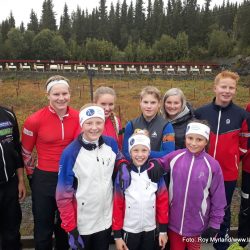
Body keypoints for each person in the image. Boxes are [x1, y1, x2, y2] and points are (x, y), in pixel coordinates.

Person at [56, 104, 128, 250]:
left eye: (98, 122)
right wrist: (71, 229)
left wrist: (123, 165)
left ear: (104, 123)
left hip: (105, 219)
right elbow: (62, 196)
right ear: (82, 124)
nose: (94, 127)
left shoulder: (111, 143)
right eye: (89, 123)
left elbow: (119, 157)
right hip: (83, 224)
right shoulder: (70, 153)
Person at [21, 75, 80, 250]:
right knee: (43, 226)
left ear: (70, 94)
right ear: (48, 95)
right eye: (56, 94)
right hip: (44, 177)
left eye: (64, 93)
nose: (61, 98)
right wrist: (32, 176)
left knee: (65, 225)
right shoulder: (34, 120)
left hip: (69, 177)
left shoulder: (78, 117)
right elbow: (26, 151)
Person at [194, 71, 249, 250]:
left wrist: (232, 159)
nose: (227, 91)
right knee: (200, 207)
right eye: (223, 87)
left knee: (223, 212)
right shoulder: (201, 112)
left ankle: (221, 245)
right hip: (202, 171)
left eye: (231, 88)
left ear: (235, 90)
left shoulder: (242, 115)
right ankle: (193, 243)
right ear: (215, 88)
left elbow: (244, 144)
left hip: (227, 173)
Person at [156, 120, 226, 250]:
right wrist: (151, 164)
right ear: (185, 138)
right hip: (174, 224)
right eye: (190, 138)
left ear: (206, 141)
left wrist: (215, 224)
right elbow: (159, 164)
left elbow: (219, 199)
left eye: (199, 140)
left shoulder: (212, 165)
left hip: (196, 226)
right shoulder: (176, 156)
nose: (193, 143)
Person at [112, 129, 169, 250]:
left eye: (144, 150)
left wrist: (163, 231)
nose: (140, 154)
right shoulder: (124, 175)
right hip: (129, 229)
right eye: (135, 150)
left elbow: (162, 202)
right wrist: (117, 236)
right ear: (130, 151)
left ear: (149, 152)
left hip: (151, 229)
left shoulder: (155, 173)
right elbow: (117, 205)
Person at [123, 86, 175, 160]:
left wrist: (145, 153)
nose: (149, 106)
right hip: (136, 169)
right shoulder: (131, 125)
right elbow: (126, 152)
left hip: (157, 169)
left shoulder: (166, 126)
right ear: (140, 103)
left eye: (153, 102)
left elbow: (169, 153)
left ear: (159, 104)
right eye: (145, 102)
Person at [0, 106, 26, 250]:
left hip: (10, 183)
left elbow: (16, 148)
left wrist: (21, 180)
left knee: (12, 231)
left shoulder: (8, 114)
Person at [228, 103, 250, 250]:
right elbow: (245, 137)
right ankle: (242, 242)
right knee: (246, 206)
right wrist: (238, 157)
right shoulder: (249, 107)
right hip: (249, 168)